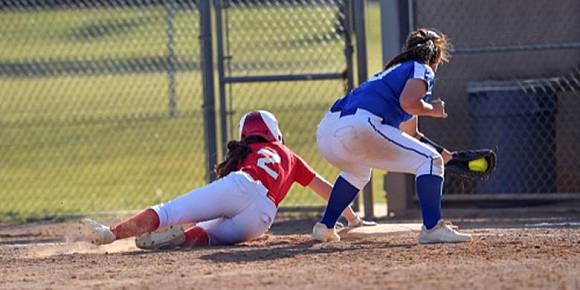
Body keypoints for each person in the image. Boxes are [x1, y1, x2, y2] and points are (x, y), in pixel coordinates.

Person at [82, 110, 374, 249]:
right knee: (209, 235)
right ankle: (183, 237)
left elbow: (233, 191)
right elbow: (327, 189)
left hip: (242, 185)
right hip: (261, 218)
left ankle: (113, 233)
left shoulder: (248, 152)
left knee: (171, 211)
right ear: (275, 133)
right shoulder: (289, 155)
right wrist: (350, 218)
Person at [311, 28, 472, 244]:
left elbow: (411, 135)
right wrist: (433, 109)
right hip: (360, 125)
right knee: (429, 161)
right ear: (435, 56)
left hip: (327, 133)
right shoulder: (421, 68)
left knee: (358, 172)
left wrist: (444, 155)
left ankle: (325, 226)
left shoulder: (393, 73)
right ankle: (432, 228)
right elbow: (409, 103)